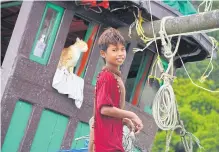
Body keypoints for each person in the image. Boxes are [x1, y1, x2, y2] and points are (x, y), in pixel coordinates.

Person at [88, 28, 143, 152]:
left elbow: (106, 115)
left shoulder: (114, 76)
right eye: (114, 50)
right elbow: (104, 109)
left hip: (110, 142)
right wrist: (132, 114)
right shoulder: (107, 77)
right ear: (103, 54)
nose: (120, 53)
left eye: (122, 49)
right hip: (105, 145)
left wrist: (123, 120)